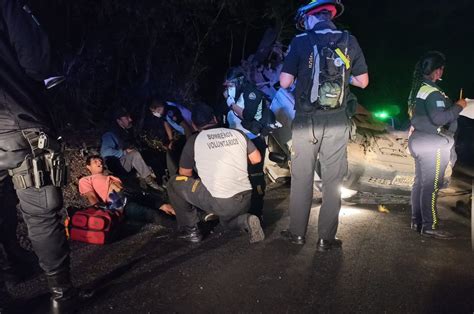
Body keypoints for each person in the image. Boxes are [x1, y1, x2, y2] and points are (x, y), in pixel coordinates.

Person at [0, 1, 88, 311]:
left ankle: (6, 292)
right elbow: (37, 62)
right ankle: (62, 295)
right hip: (17, 124)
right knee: (40, 214)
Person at [279, 0, 369, 251]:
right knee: (332, 179)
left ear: (309, 18)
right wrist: (342, 73)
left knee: (302, 177)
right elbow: (363, 81)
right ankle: (325, 239)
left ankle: (297, 233)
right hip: (337, 122)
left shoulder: (300, 41)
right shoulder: (349, 40)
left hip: (305, 122)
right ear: (329, 16)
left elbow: (285, 83)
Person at [167, 104, 265, 243]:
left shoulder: (194, 141)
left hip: (222, 202)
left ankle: (191, 231)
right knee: (226, 222)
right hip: (247, 196)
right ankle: (246, 220)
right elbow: (256, 159)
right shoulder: (237, 133)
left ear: (194, 125)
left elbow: (184, 174)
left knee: (174, 183)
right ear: (215, 118)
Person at [407, 51, 467, 239]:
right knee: (431, 186)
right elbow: (439, 118)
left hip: (418, 140)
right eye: (441, 69)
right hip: (432, 143)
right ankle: (429, 225)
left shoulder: (419, 88)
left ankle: (417, 221)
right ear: (437, 71)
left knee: (420, 183)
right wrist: (460, 106)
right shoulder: (433, 92)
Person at [224, 67, 279, 221]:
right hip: (236, 141)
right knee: (240, 176)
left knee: (255, 176)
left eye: (231, 85)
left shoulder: (251, 93)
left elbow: (247, 115)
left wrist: (231, 104)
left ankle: (256, 212)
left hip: (253, 139)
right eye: (228, 86)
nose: (229, 88)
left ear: (239, 81)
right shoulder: (234, 94)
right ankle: (242, 210)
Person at [78, 155, 175, 224]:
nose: (99, 162)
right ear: (88, 167)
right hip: (119, 202)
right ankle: (182, 228)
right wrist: (100, 211)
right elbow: (91, 196)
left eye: (100, 160)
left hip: (131, 193)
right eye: (95, 161)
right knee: (152, 214)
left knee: (164, 205)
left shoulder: (111, 176)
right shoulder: (85, 180)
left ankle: (186, 219)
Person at [100, 107, 163, 190]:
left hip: (125, 162)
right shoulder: (110, 134)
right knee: (135, 154)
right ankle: (150, 182)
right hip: (118, 166)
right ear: (119, 121)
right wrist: (124, 152)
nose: (130, 119)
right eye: (126, 118)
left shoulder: (125, 131)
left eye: (129, 117)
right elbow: (105, 152)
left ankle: (154, 178)